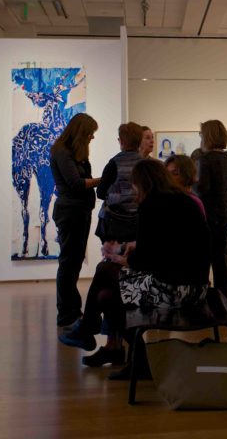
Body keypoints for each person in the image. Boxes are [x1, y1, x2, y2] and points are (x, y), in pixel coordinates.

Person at [59, 159, 211, 379]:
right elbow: (167, 245)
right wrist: (127, 250)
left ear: (143, 183)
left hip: (175, 290)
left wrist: (116, 256)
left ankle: (89, 330)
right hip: (196, 287)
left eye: (134, 184)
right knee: (106, 295)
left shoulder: (153, 204)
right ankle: (131, 356)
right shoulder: (184, 201)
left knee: (105, 270)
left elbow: (145, 261)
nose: (133, 189)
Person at [78, 122, 144, 367]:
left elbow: (102, 192)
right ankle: (109, 342)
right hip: (137, 228)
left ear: (120, 140)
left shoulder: (114, 162)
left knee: (110, 274)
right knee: (113, 277)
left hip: (117, 228)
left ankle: (105, 339)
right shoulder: (145, 165)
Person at [50, 112, 101, 333]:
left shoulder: (72, 152)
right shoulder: (62, 152)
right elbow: (76, 183)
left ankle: (72, 310)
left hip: (79, 212)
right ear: (81, 132)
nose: (92, 138)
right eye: (90, 133)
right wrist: (104, 179)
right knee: (69, 263)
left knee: (74, 262)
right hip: (71, 213)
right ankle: (66, 314)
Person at [196, 119, 227, 295]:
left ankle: (201, 297)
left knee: (203, 259)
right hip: (226, 214)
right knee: (220, 259)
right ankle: (222, 300)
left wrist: (191, 184)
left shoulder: (206, 159)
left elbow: (202, 188)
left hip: (209, 215)